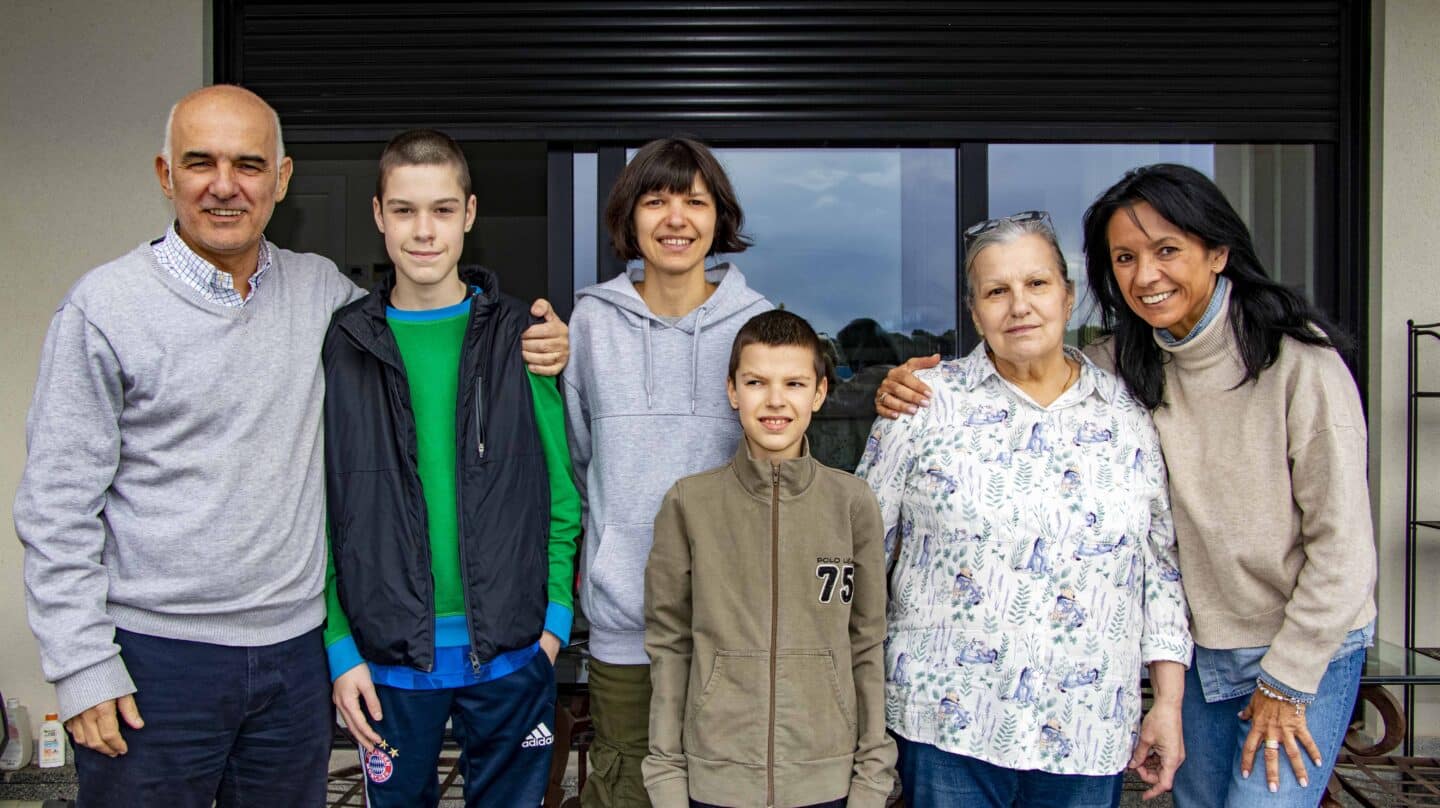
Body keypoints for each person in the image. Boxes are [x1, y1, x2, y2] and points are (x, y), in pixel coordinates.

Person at [12, 86, 568, 807]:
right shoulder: (107, 308)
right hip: (157, 657)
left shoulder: (321, 299)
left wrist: (538, 335)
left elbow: (432, 317)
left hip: (291, 658)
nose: (224, 185)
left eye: (248, 164)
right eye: (199, 162)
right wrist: (82, 663)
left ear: (280, 179)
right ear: (164, 174)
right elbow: (55, 504)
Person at [857, 211, 1191, 807]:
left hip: (1087, 728)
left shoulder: (1128, 417)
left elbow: (1159, 572)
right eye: (996, 291)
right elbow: (859, 552)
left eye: (1037, 284)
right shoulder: (922, 406)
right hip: (947, 726)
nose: (1019, 306)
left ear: (1068, 294)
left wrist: (1166, 704)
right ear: (973, 309)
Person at [1078, 164, 1376, 806]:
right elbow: (1028, 364)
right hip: (1196, 655)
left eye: (1167, 250)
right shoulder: (1120, 363)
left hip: (1299, 644)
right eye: (1124, 258)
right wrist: (918, 383)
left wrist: (1287, 682)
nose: (1145, 275)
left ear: (1218, 252)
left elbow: (1345, 551)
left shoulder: (1301, 362)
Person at [319, 129, 581, 807]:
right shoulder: (343, 346)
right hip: (388, 661)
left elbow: (559, 491)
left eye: (441, 209)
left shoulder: (522, 336)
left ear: (469, 213)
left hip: (511, 651)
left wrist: (553, 620)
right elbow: (316, 506)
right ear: (378, 215)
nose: (423, 231)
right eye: (404, 210)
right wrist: (340, 645)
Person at [563, 137, 771, 807]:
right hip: (622, 615)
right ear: (630, 218)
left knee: (722, 784)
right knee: (624, 779)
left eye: (694, 200)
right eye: (656, 200)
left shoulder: (759, 324)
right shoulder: (591, 323)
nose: (675, 218)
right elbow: (573, 462)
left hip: (728, 620)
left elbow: (779, 470)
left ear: (719, 219)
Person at [643, 310, 896, 808]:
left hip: (828, 782)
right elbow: (669, 645)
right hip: (714, 783)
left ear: (820, 393)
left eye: (794, 383)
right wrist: (668, 781)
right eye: (756, 382)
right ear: (733, 390)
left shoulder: (852, 502)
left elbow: (867, 645)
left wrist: (870, 782)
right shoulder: (688, 503)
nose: (775, 400)